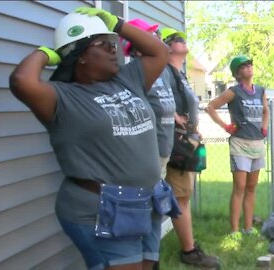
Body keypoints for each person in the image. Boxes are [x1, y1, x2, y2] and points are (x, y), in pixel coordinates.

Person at [9, 7, 168, 270]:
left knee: (149, 265)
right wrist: (46, 53)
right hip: (103, 209)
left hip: (147, 201)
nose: (113, 49)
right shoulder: (61, 97)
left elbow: (159, 51)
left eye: (113, 43)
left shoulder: (128, 79)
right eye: (103, 44)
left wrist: (117, 23)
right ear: (80, 55)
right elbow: (21, 81)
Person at [161, 27, 220, 269]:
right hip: (176, 143)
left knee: (183, 195)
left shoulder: (178, 73)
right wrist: (174, 116)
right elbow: (157, 97)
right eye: (178, 40)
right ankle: (189, 251)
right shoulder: (163, 72)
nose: (184, 42)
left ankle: (189, 245)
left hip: (187, 140)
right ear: (167, 46)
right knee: (181, 197)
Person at [205, 55, 269, 236]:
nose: (248, 67)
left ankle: (248, 228)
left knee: (251, 187)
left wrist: (264, 127)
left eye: (250, 64)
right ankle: (234, 230)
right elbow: (210, 107)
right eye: (243, 66)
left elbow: (265, 111)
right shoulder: (233, 92)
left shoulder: (261, 91)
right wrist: (225, 126)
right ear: (237, 73)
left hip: (257, 144)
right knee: (240, 187)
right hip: (240, 144)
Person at [121, 19, 175, 180]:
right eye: (151, 36)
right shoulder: (134, 75)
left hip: (165, 149)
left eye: (156, 34)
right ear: (137, 49)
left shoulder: (164, 71)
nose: (158, 38)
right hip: (148, 154)